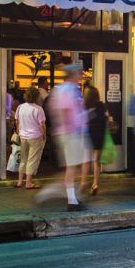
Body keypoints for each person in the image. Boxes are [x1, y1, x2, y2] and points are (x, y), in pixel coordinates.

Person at [47, 64, 87, 210]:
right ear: (73, 75)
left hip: (66, 132)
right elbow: (65, 109)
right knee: (72, 167)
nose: (81, 76)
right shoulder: (70, 89)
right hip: (70, 133)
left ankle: (72, 197)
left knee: (72, 167)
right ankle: (70, 199)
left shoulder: (60, 89)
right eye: (79, 74)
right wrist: (69, 128)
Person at [15, 87, 46, 189]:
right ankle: (28, 183)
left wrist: (19, 131)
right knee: (32, 159)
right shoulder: (38, 109)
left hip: (23, 136)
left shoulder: (20, 107)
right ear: (36, 97)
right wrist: (44, 135)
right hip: (35, 136)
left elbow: (17, 121)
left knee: (23, 158)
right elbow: (42, 125)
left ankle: (19, 181)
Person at [83, 84, 109, 196]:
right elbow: (106, 119)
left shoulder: (84, 106)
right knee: (96, 161)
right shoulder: (101, 106)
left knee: (86, 160)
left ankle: (83, 182)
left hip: (87, 135)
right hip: (99, 135)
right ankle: (95, 183)